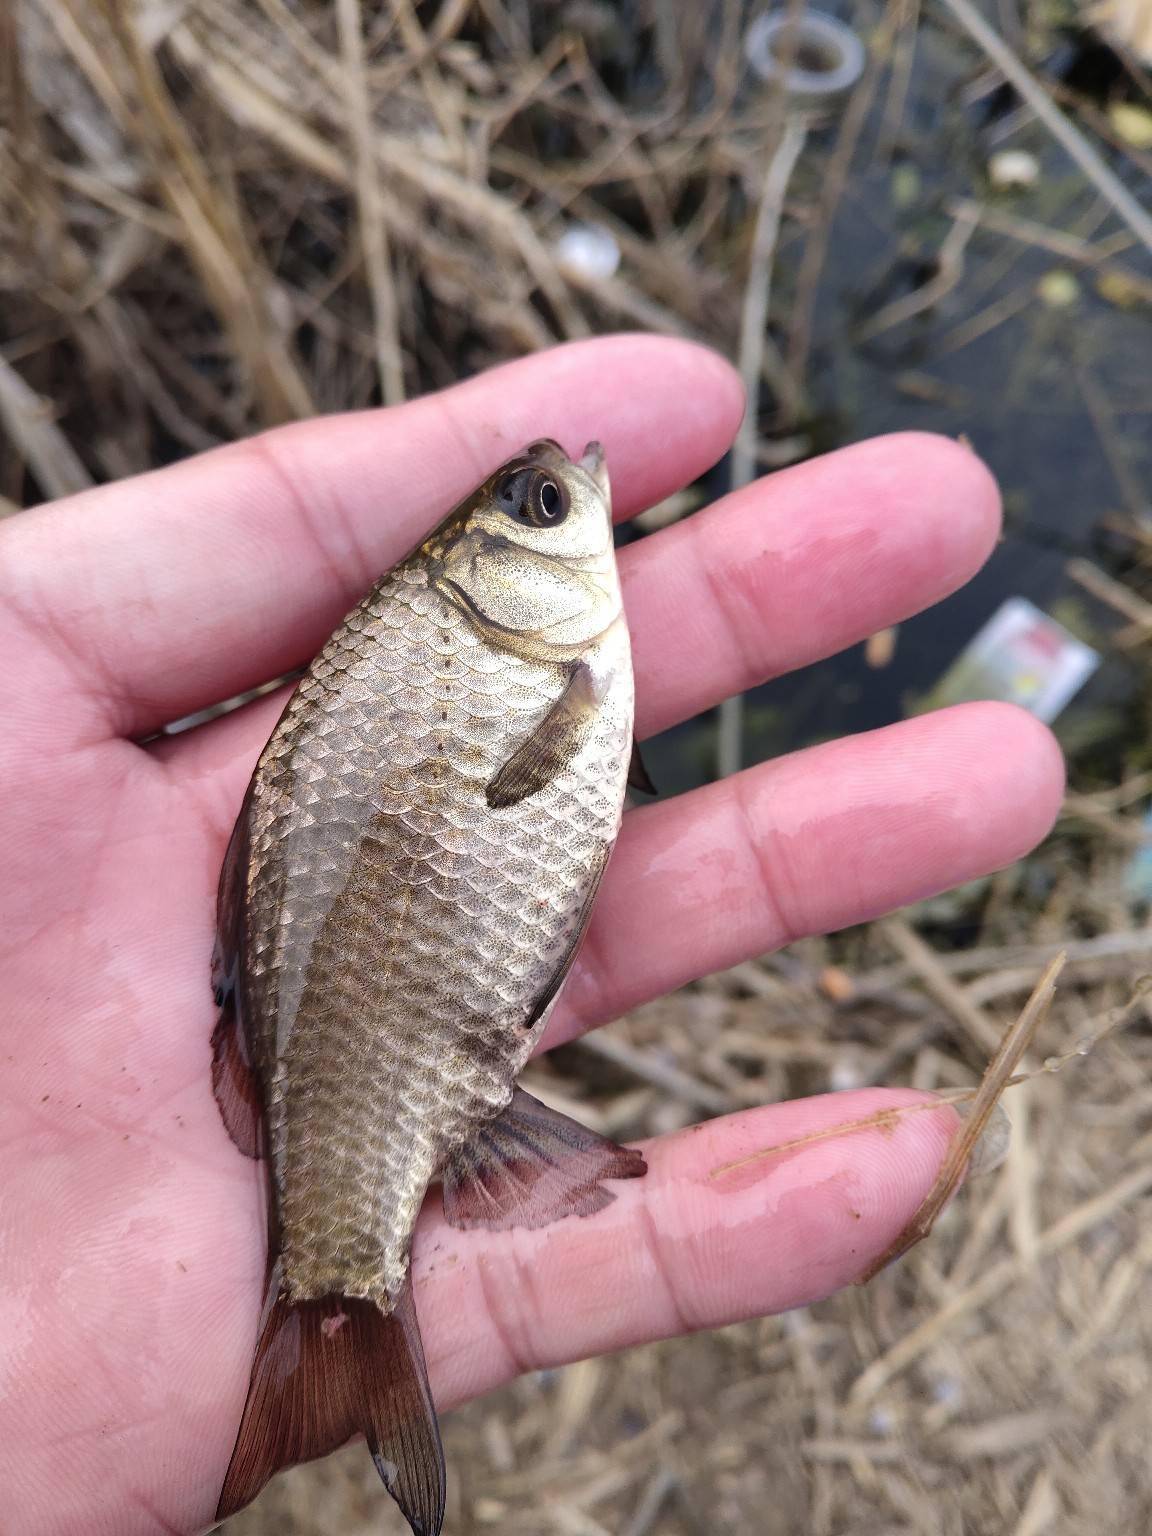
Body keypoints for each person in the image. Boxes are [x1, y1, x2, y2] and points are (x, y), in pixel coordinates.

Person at [0, 336, 1063, 1534]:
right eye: (544, 507)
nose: (575, 497)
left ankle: (337, 1303)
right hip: (358, 1008)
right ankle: (337, 1296)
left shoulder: (504, 660)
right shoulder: (479, 656)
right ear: (484, 580)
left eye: (541, 502)